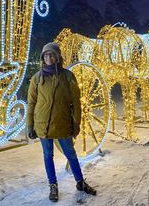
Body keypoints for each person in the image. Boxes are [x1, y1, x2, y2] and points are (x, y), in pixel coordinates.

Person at [26, 42, 97, 202]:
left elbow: (76, 102)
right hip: (42, 124)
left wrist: (76, 123)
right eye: (45, 55)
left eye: (51, 55)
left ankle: (80, 182)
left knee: (70, 154)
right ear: (42, 58)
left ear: (57, 57)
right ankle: (53, 186)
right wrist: (30, 125)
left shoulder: (67, 76)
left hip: (63, 123)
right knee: (47, 155)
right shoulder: (37, 78)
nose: (48, 57)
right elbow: (31, 103)